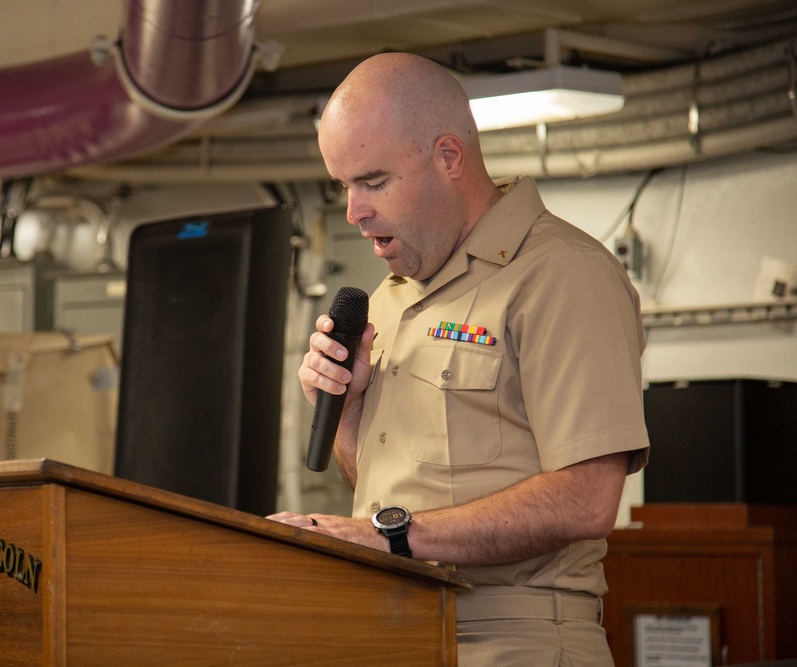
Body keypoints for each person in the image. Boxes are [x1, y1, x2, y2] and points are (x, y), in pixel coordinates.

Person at [268, 52, 650, 665]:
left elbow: (588, 499)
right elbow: (383, 486)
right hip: (393, 630)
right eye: (344, 186)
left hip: (510, 638)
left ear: (449, 158)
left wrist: (386, 535)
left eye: (373, 181)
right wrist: (348, 412)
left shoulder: (561, 275)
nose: (353, 212)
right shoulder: (390, 299)